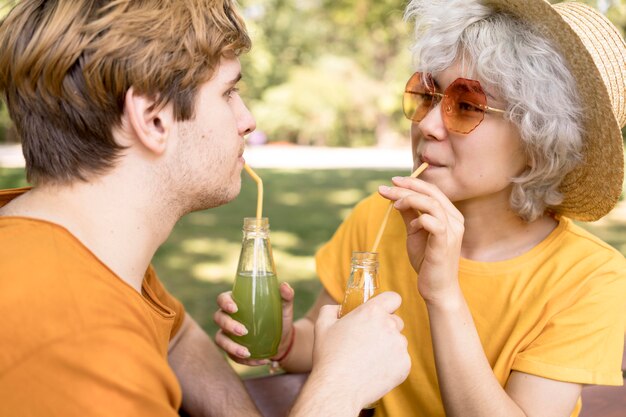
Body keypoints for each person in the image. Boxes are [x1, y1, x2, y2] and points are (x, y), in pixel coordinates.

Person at [215, 0, 626, 416]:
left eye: (466, 106)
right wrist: (286, 340)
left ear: (540, 143)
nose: (427, 124)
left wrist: (443, 294)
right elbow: (334, 342)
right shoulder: (380, 218)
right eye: (428, 95)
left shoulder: (590, 278)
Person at [0, 1, 411, 416]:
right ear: (153, 119)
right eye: (229, 92)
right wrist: (338, 387)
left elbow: (176, 337)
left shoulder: (81, 249)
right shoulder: (72, 345)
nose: (247, 119)